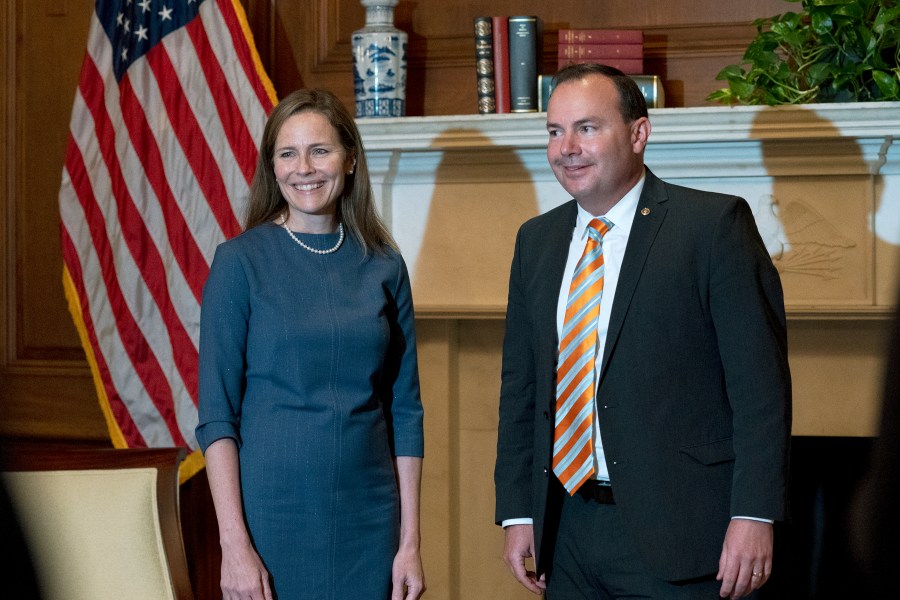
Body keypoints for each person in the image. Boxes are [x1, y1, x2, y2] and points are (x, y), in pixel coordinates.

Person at [494, 63, 791, 600]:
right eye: (554, 131)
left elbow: (760, 390)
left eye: (587, 127)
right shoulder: (535, 242)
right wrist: (516, 509)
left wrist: (754, 513)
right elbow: (522, 389)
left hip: (684, 534)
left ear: (638, 133)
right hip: (567, 531)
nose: (567, 148)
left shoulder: (712, 227)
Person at [196, 89, 425, 600]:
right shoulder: (239, 263)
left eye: (320, 150)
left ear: (349, 160)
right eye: (288, 153)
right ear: (272, 167)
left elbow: (406, 411)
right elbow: (217, 415)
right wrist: (234, 545)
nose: (305, 167)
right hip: (272, 518)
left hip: (372, 517)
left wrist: (410, 542)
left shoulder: (385, 265)